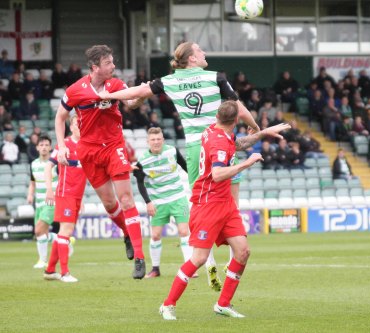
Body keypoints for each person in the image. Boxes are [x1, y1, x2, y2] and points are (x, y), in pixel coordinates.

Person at [98, 41, 261, 290]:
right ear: (192, 59)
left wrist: (108, 95)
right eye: (200, 51)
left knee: (201, 208)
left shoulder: (169, 80)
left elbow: (137, 92)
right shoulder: (216, 77)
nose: (205, 52)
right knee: (231, 207)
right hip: (220, 143)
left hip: (196, 148)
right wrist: (255, 125)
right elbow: (237, 106)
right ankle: (230, 263)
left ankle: (208, 264)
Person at [159, 100, 289, 320]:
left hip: (225, 203)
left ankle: (223, 303)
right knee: (198, 258)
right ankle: (167, 304)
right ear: (236, 120)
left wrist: (264, 132)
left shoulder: (214, 130)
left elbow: (237, 144)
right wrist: (246, 164)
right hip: (207, 204)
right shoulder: (219, 142)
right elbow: (218, 174)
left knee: (243, 251)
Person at [54, 45, 145, 279]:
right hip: (89, 152)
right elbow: (60, 116)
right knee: (109, 203)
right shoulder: (76, 90)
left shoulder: (115, 85)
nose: (113, 66)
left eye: (113, 62)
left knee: (126, 198)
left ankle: (139, 256)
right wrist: (62, 146)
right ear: (95, 68)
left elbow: (131, 102)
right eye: (108, 63)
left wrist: (140, 95)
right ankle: (126, 232)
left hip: (115, 147)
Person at [133, 127, 193, 278]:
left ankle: (190, 269)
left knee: (184, 231)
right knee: (155, 235)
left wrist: (195, 184)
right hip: (158, 201)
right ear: (148, 142)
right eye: (153, 140)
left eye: (159, 139)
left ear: (163, 140)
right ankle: (155, 269)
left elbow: (185, 166)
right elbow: (140, 183)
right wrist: (148, 202)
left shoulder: (172, 151)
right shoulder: (142, 160)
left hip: (178, 197)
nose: (156, 142)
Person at [43, 115, 84, 282]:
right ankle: (64, 272)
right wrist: (49, 190)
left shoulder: (86, 146)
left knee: (64, 232)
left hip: (77, 195)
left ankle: (50, 270)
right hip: (65, 192)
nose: (79, 126)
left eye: (82, 123)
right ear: (71, 126)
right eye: (76, 123)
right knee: (65, 231)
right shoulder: (65, 144)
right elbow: (48, 165)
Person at [27, 135, 58, 268]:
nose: (44, 147)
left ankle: (43, 260)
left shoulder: (55, 164)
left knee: (38, 230)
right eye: (41, 145)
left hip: (51, 201)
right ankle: (63, 239)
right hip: (38, 202)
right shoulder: (33, 164)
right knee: (42, 234)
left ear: (50, 148)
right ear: (37, 147)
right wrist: (30, 195)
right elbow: (32, 183)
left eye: (46, 145)